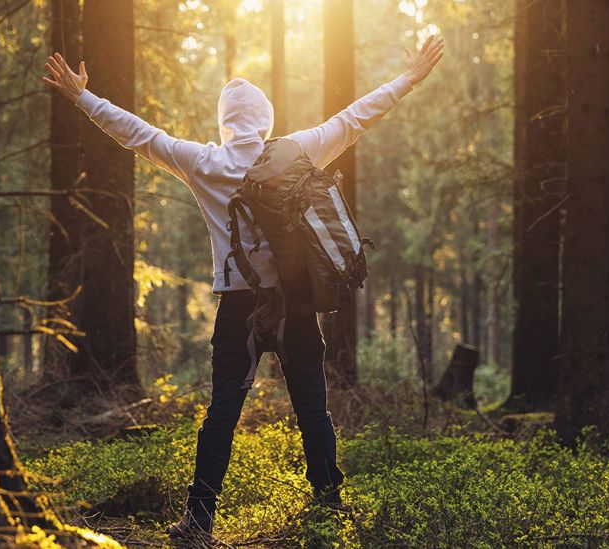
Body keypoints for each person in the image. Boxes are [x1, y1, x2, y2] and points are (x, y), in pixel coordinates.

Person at [42, 34, 444, 543]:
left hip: (240, 306)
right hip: (297, 304)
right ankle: (329, 507)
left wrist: (83, 97)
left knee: (223, 412)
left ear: (225, 122)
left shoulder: (204, 162)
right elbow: (355, 116)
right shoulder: (299, 149)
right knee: (312, 408)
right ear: (267, 120)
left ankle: (199, 519)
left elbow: (140, 135)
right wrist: (409, 77)